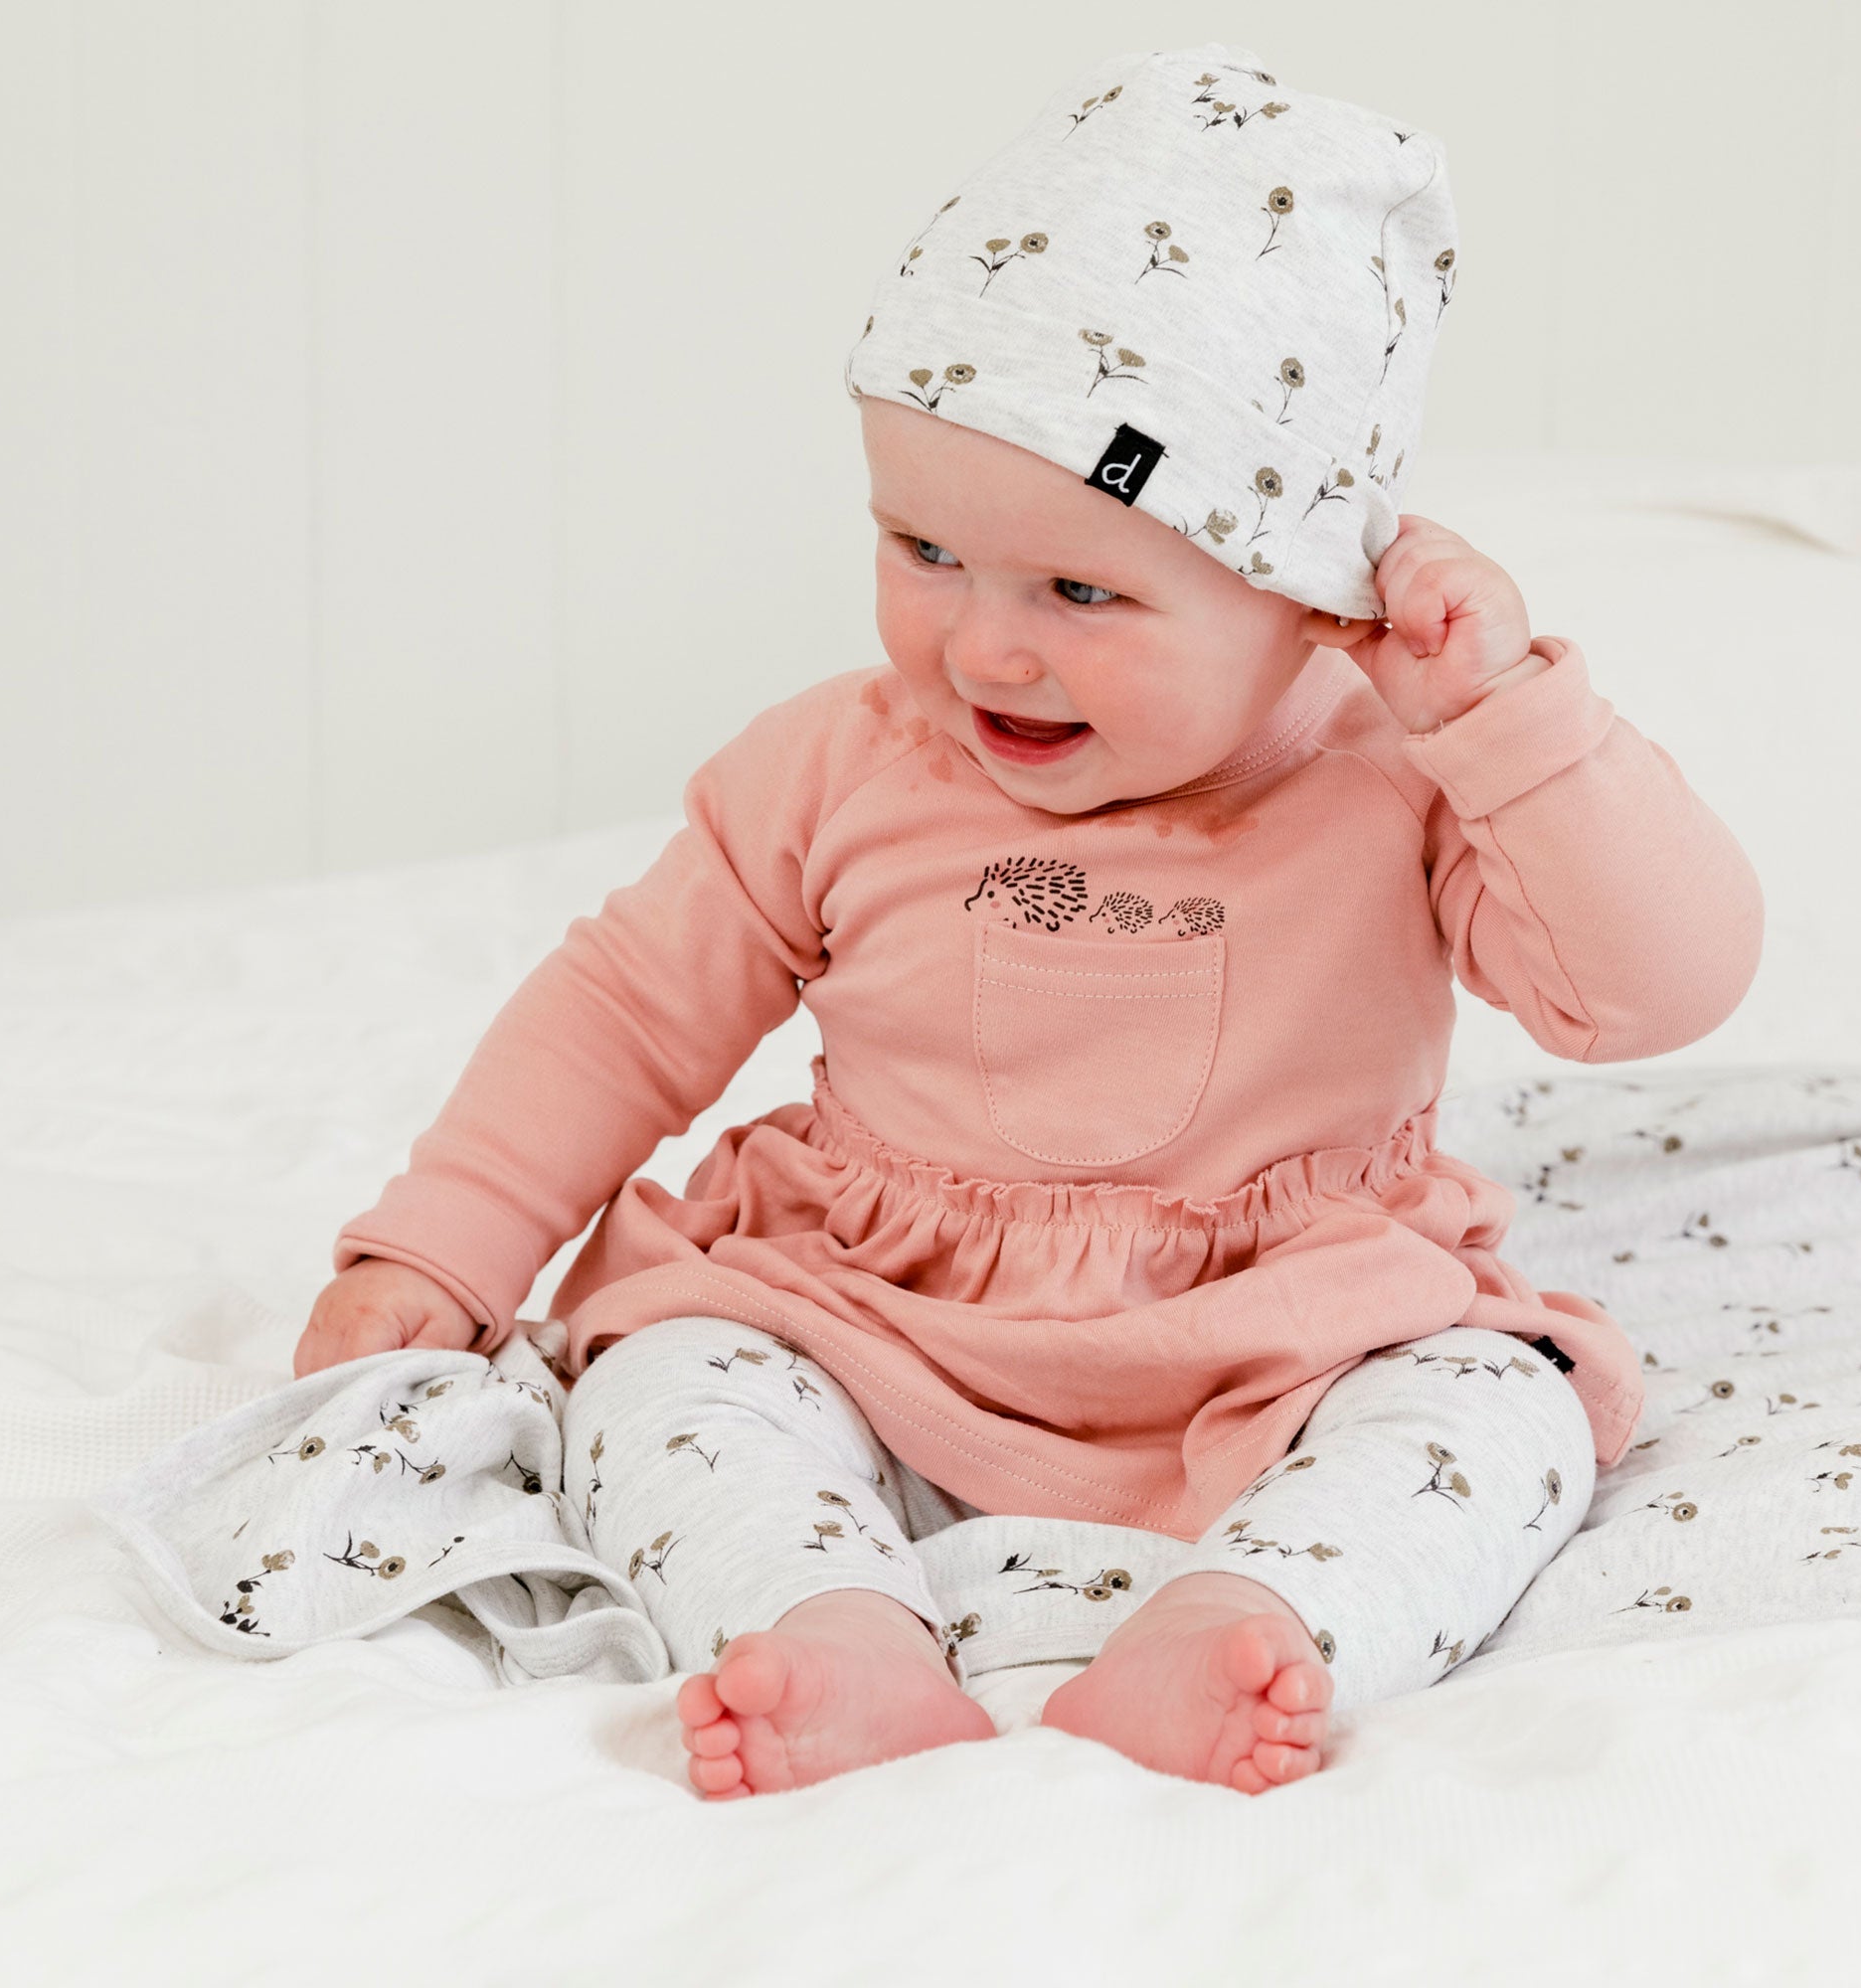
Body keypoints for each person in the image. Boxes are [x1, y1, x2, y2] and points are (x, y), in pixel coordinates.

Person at [292, 42, 1763, 1798]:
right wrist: (441, 1246)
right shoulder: (837, 764)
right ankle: (824, 1618)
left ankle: (1255, 1616)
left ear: (1306, 594)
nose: (986, 646)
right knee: (657, 1370)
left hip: (1289, 1331)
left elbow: (1662, 991)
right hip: (875, 1314)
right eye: (923, 551)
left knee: (1508, 1407)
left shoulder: (1402, 782)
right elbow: (625, 1008)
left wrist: (1511, 714)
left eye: (1082, 589)